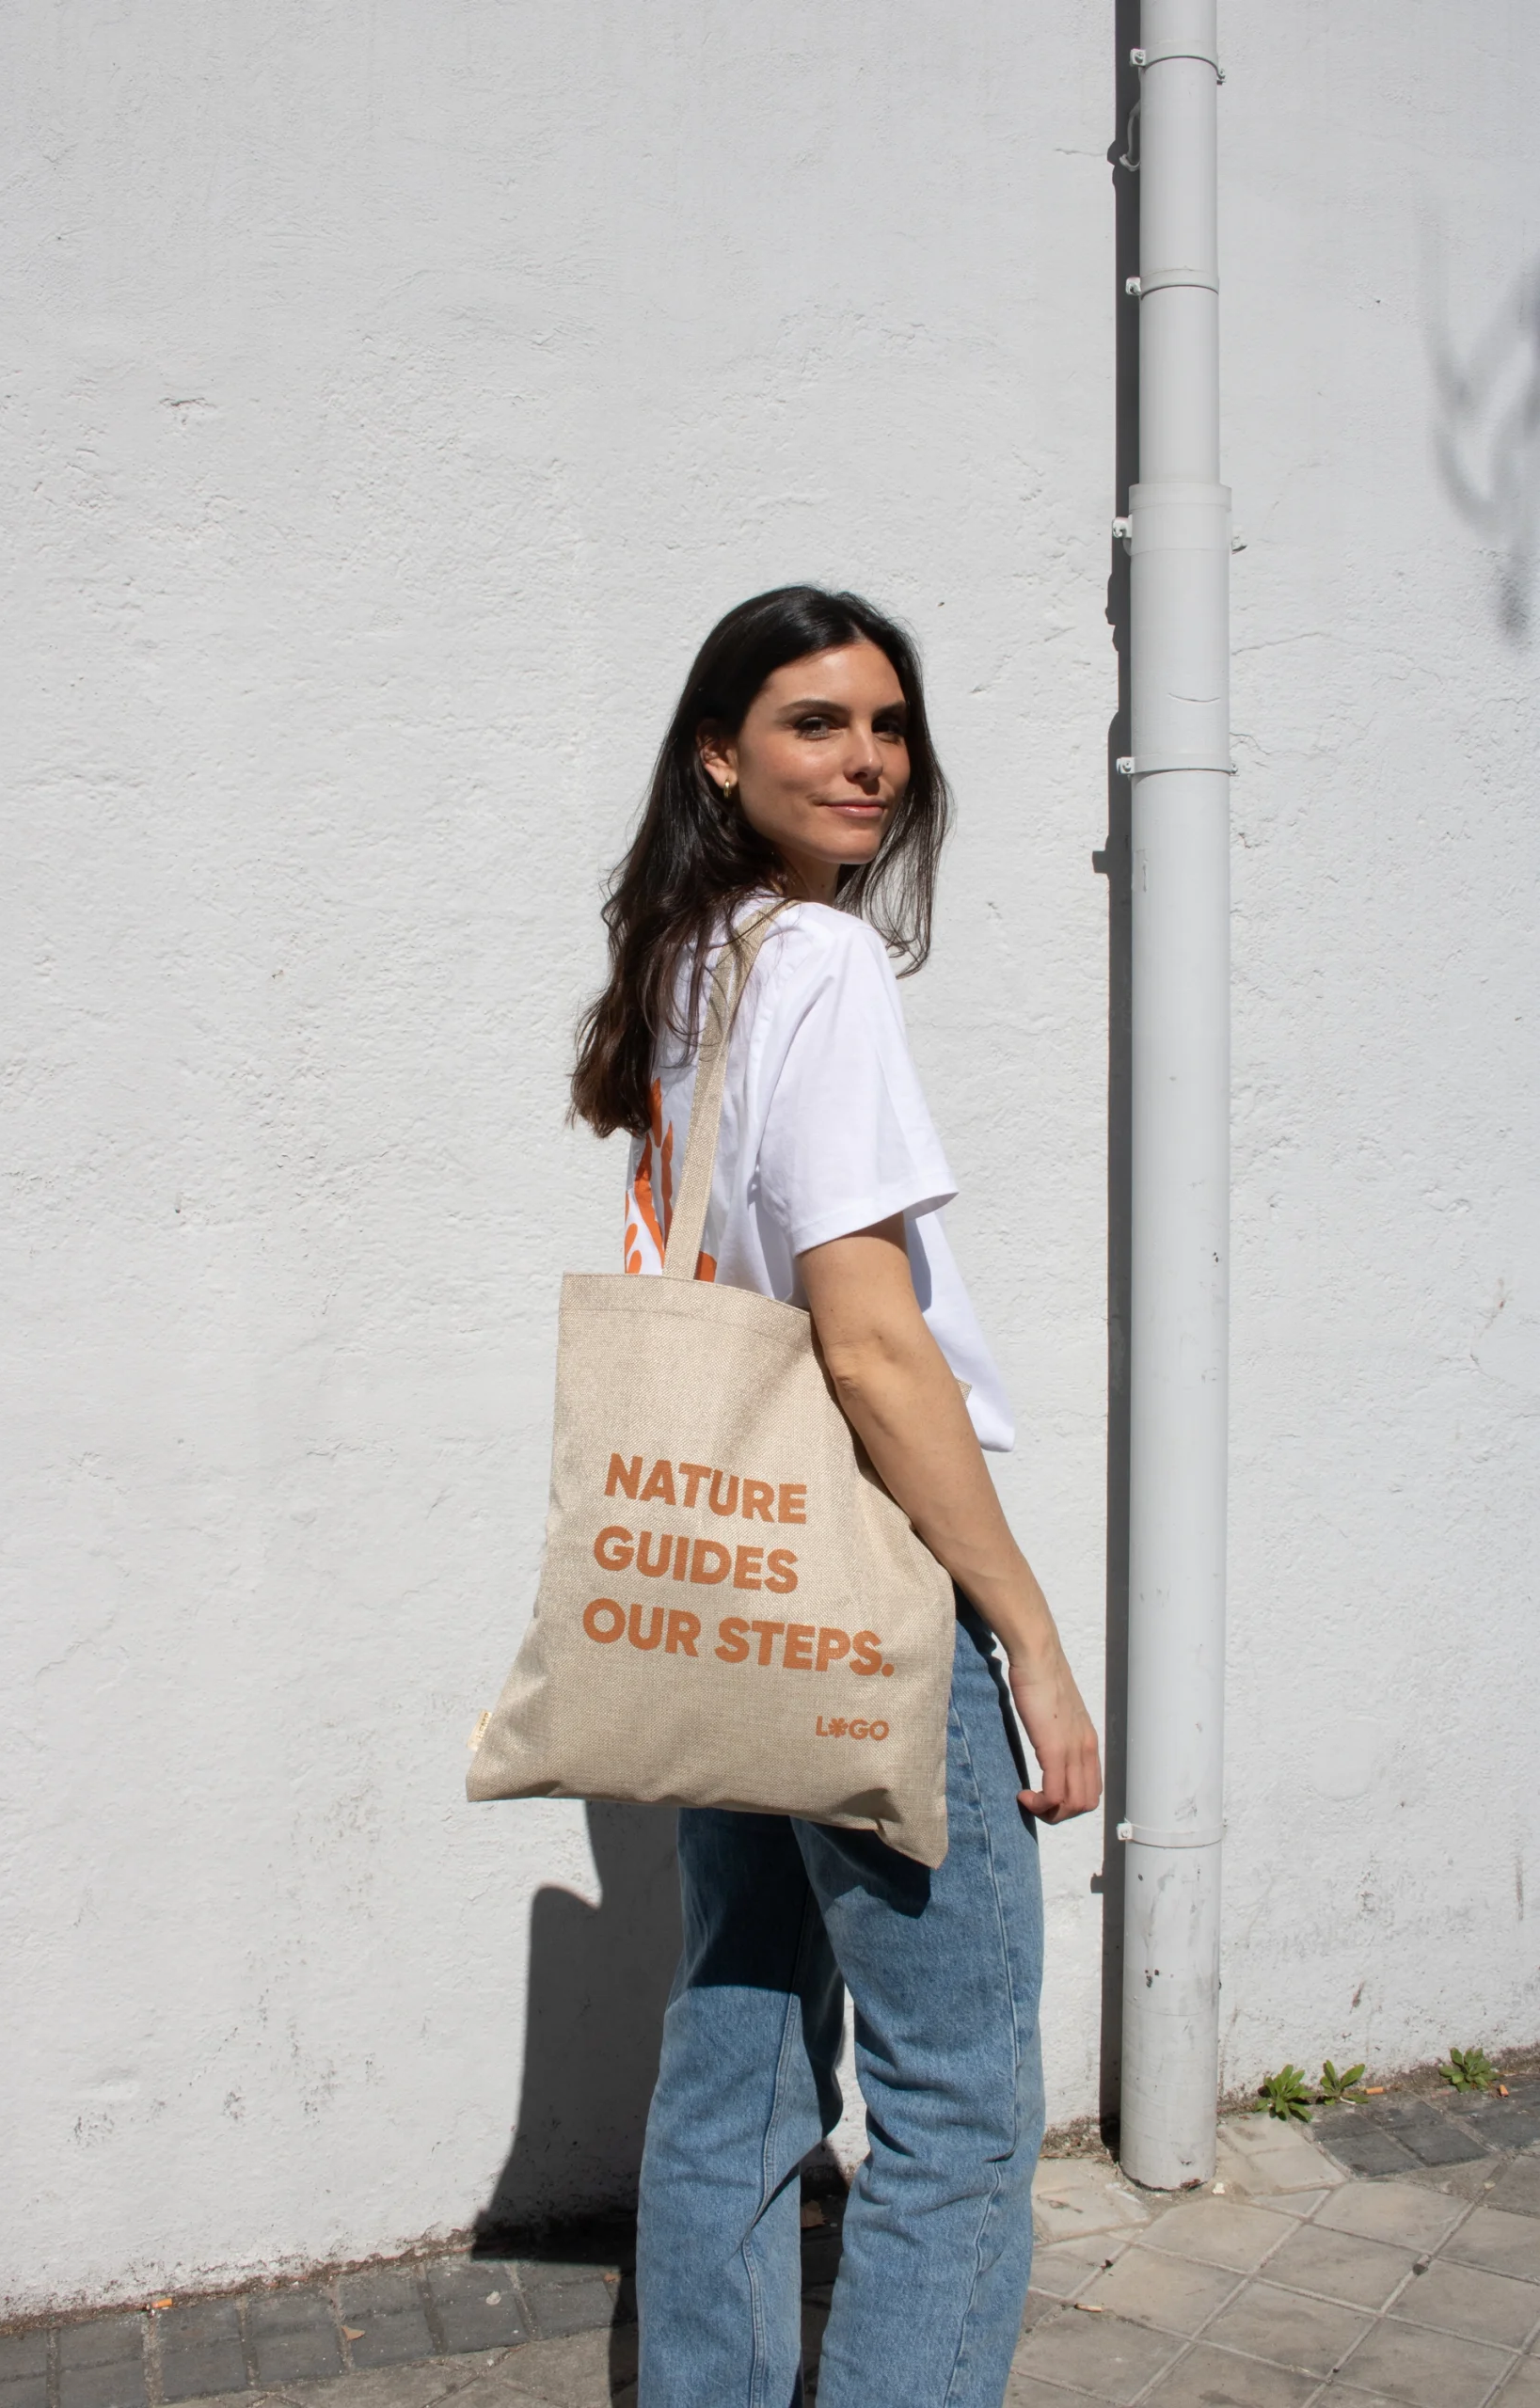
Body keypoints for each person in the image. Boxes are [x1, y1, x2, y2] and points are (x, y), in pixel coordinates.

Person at [571, 586, 1102, 2408]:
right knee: (958, 2096)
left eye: (886, 721)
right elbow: (869, 1346)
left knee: (737, 2043)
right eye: (814, 720)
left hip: (734, 1593)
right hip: (861, 1583)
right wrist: (1025, 1632)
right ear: (719, 748)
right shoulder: (818, 964)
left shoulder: (690, 954)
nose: (867, 754)